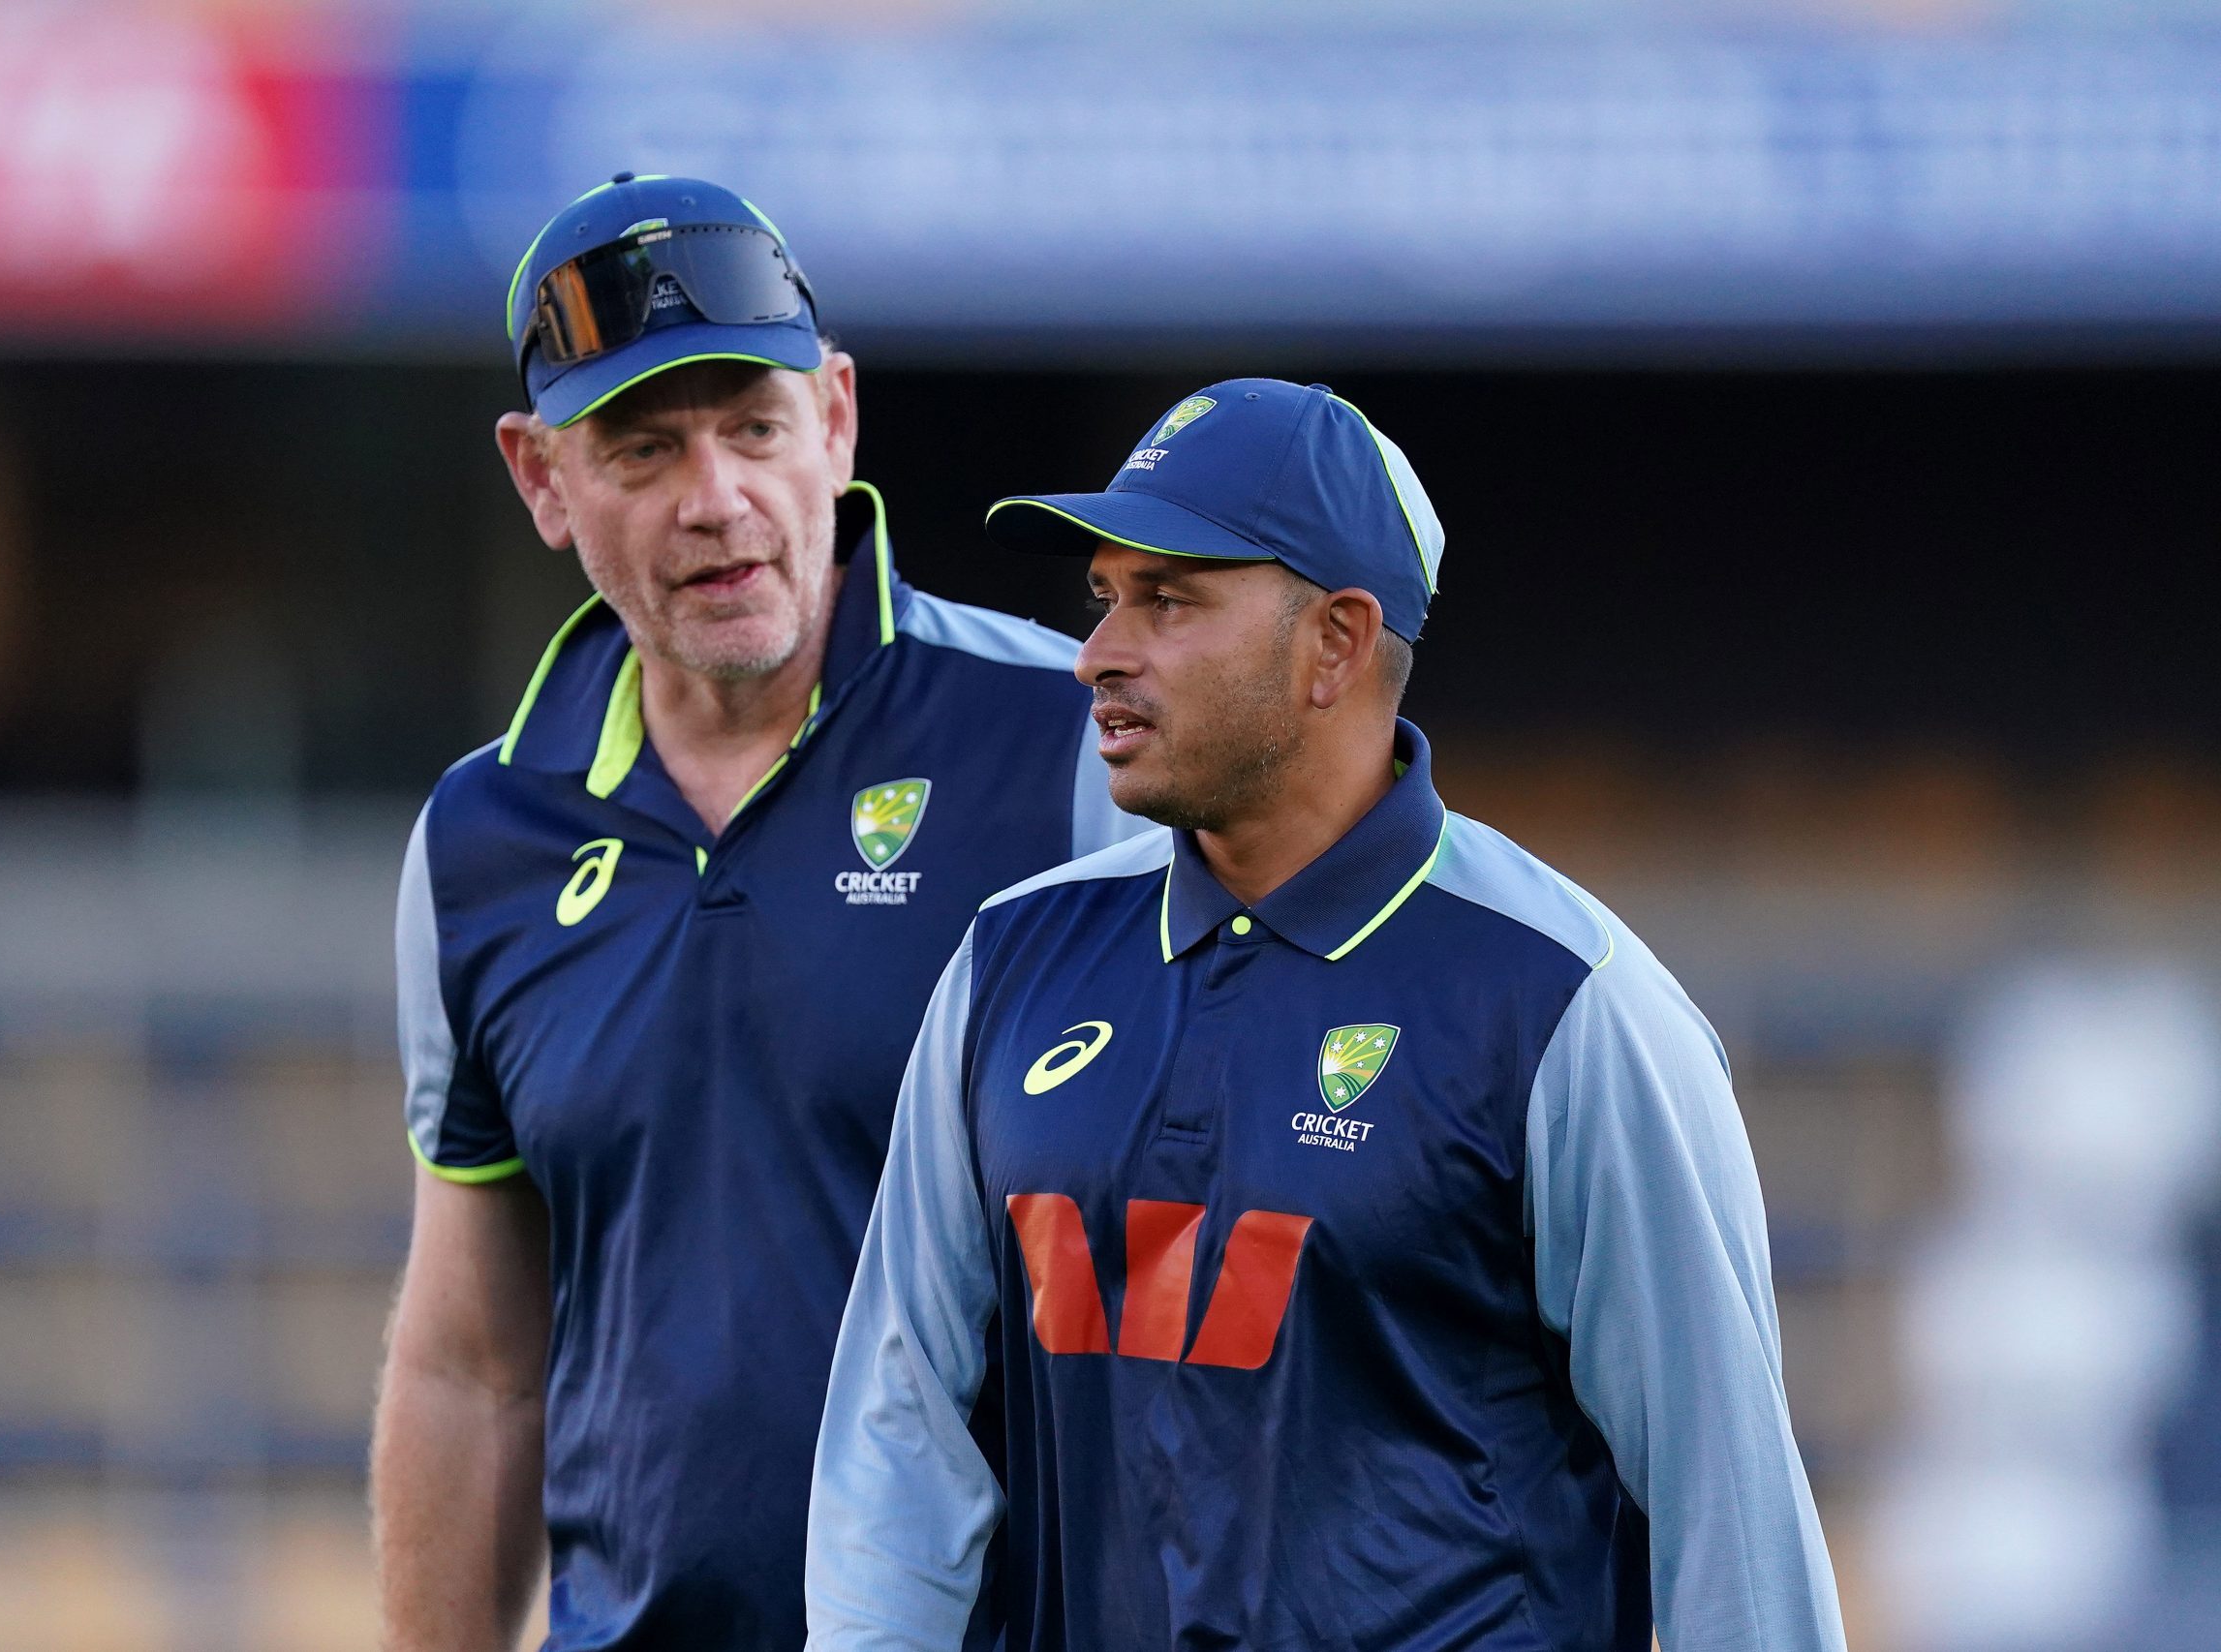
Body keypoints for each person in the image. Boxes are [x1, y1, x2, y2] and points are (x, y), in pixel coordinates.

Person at [805, 379, 1848, 1650]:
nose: (1099, 654)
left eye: (1168, 599)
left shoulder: (1570, 1004)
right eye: (1104, 596)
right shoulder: (1008, 963)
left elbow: (1726, 1515)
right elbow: (898, 1441)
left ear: (1338, 643)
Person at [370, 172, 1139, 1652]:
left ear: (836, 420)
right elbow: (473, 1364)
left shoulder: (1065, 748)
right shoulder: (481, 841)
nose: (715, 498)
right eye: (645, 449)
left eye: (753, 429)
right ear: (541, 479)